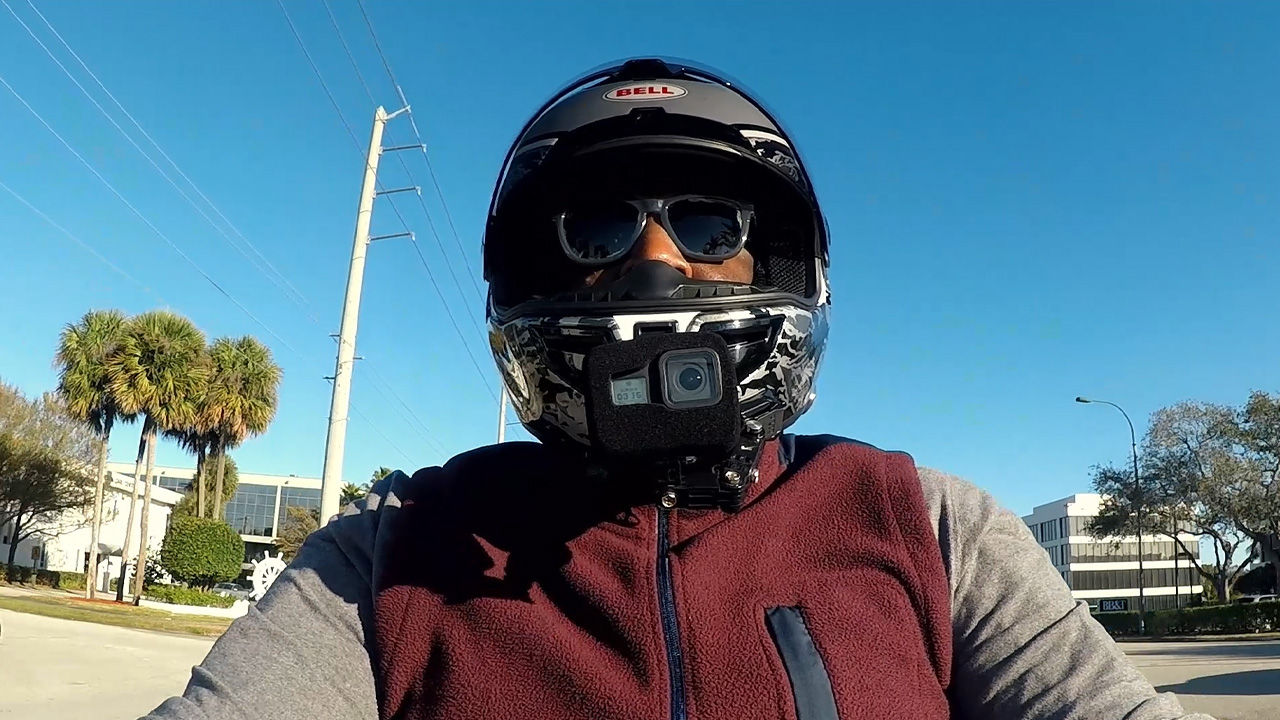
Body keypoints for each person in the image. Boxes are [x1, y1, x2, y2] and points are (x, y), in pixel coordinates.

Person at [144, 58, 1212, 720]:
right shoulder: (396, 547)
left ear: (776, 264)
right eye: (597, 228)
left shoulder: (929, 528)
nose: (656, 262)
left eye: (708, 226)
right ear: (539, 271)